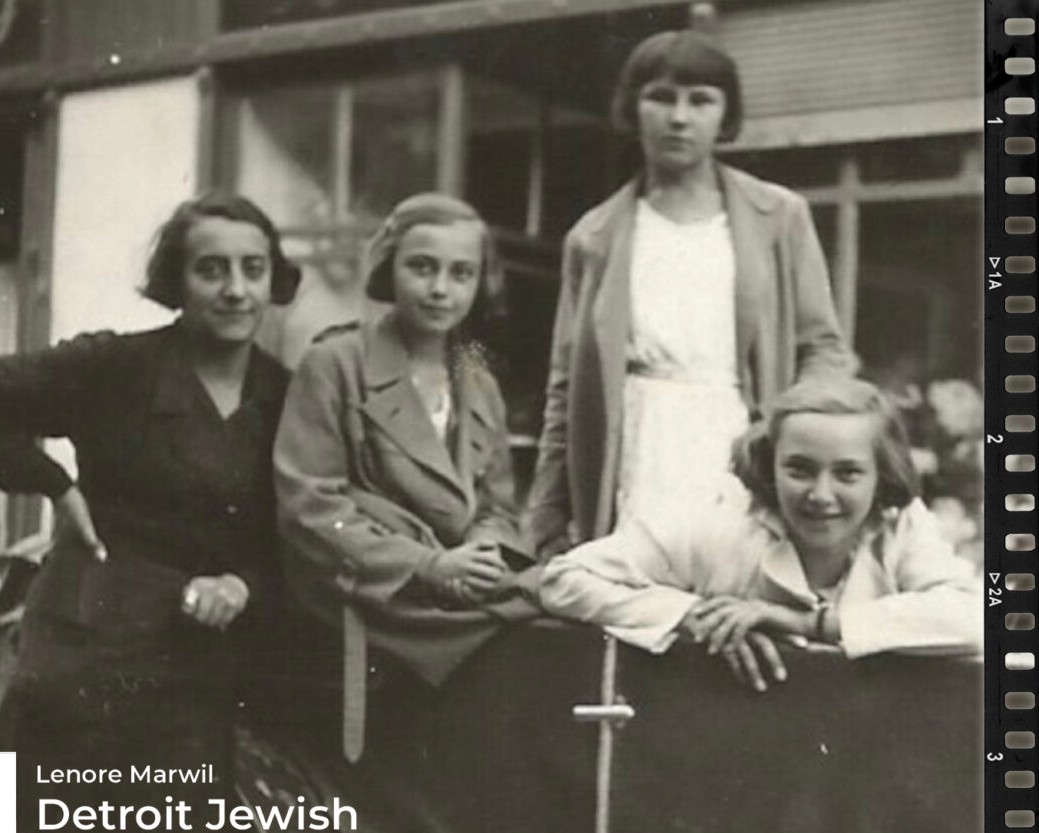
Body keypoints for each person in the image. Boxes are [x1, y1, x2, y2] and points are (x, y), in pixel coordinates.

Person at [0, 193, 297, 833]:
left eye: (254, 269)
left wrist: (244, 585)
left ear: (273, 279)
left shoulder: (286, 396)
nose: (236, 289)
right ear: (175, 280)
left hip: (193, 680)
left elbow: (301, 537)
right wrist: (52, 484)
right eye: (211, 270)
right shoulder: (116, 367)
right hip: (82, 662)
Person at [524, 29, 854, 559]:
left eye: (700, 101)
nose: (679, 118)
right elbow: (565, 388)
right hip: (635, 450)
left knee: (736, 587)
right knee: (635, 592)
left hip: (740, 446)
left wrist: (794, 446)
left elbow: (823, 350)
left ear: (725, 115)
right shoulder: (594, 237)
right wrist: (546, 515)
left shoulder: (778, 217)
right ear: (633, 108)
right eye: (660, 97)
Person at [273, 193, 535, 760]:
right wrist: (429, 566)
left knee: (549, 616)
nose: (441, 289)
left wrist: (482, 556)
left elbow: (497, 506)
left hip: (458, 589)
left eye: (461, 273)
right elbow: (310, 506)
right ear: (389, 267)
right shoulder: (336, 363)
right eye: (422, 267)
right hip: (371, 594)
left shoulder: (477, 381)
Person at [540, 377, 979, 690]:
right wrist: (696, 617)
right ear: (770, 464)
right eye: (799, 470)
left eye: (848, 473)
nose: (821, 495)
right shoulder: (719, 521)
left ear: (881, 474)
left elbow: (974, 618)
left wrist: (810, 624)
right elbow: (564, 579)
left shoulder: (901, 523)